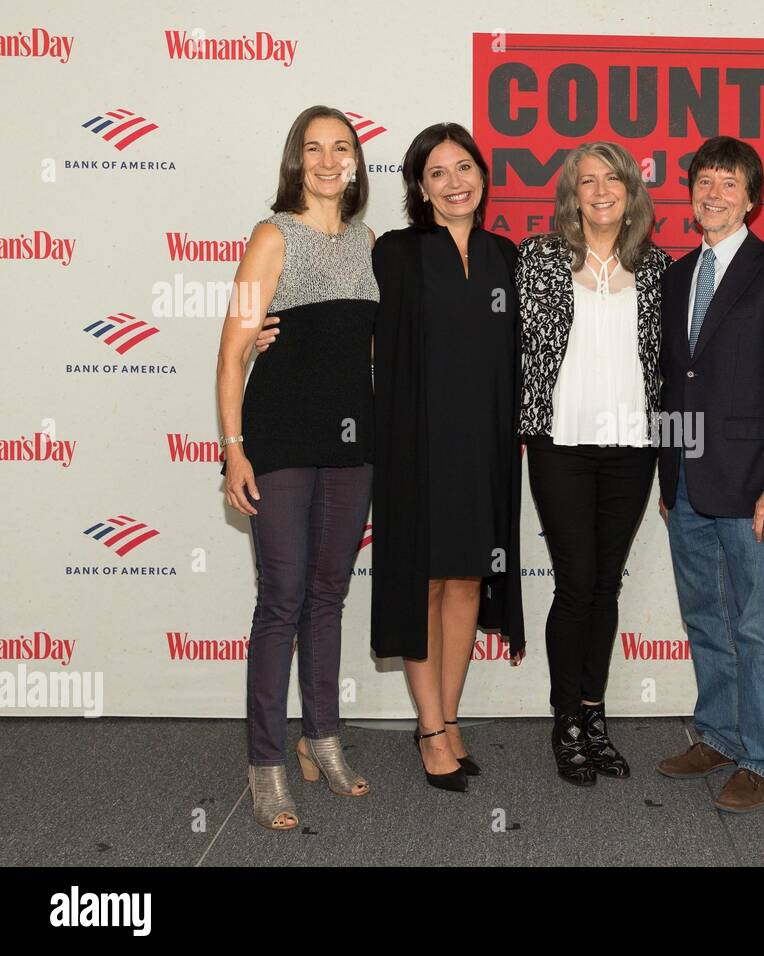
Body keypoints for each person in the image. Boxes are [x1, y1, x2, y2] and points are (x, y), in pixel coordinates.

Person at [257, 122, 526, 794]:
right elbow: (345, 328)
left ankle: (449, 717)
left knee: (467, 581)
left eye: (464, 167)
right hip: (411, 444)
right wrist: (272, 334)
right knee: (425, 584)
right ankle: (430, 728)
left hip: (485, 444)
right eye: (438, 172)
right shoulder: (395, 253)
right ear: (419, 186)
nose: (455, 182)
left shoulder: (507, 256)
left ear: (483, 177)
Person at [217, 105, 377, 831]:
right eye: (312, 149)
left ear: (354, 162)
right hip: (279, 437)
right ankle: (266, 762)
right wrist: (233, 448)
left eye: (339, 148)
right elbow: (231, 350)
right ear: (296, 160)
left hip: (351, 442)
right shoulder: (271, 235)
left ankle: (322, 737)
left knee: (328, 592)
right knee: (280, 598)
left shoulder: (369, 240)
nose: (325, 160)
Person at [654, 136, 764, 813]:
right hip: (687, 485)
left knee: (761, 626)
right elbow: (672, 383)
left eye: (729, 182)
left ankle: (762, 756)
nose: (714, 192)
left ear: (752, 197)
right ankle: (719, 735)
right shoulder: (674, 275)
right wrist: (669, 478)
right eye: (705, 180)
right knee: (706, 619)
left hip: (757, 486)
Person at [516, 143, 672, 786]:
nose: (602, 189)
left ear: (632, 191)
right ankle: (565, 723)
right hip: (561, 443)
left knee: (606, 584)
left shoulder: (658, 267)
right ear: (571, 194)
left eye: (614, 178)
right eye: (588, 180)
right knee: (575, 583)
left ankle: (592, 713)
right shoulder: (539, 257)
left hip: (632, 447)